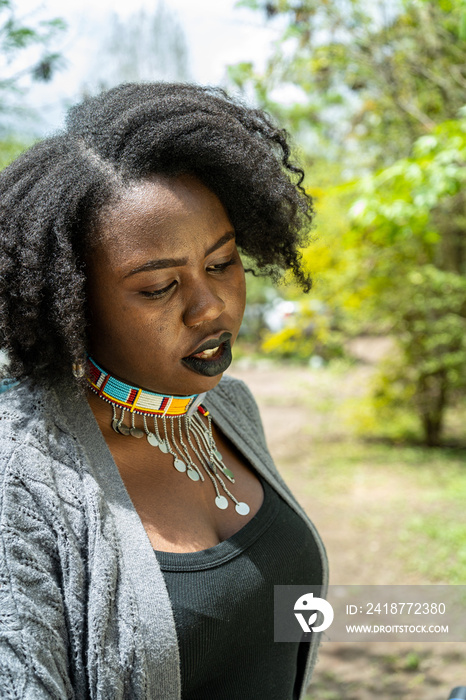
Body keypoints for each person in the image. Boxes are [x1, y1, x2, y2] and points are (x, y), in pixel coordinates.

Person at [0, 82, 328, 699]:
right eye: (158, 288)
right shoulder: (20, 475)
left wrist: (428, 616)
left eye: (222, 263)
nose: (210, 308)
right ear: (72, 305)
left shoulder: (228, 410)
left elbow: (268, 612)